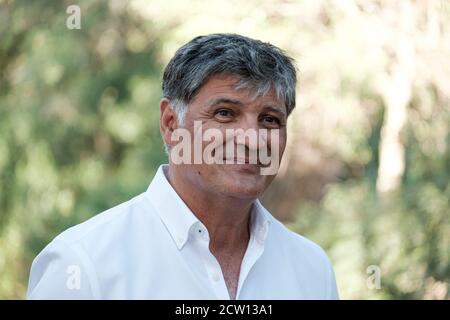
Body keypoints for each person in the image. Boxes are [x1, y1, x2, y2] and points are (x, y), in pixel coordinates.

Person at [27, 33, 339, 299]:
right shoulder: (82, 265)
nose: (253, 140)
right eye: (225, 113)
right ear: (170, 123)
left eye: (270, 120)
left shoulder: (311, 269)